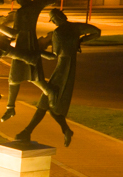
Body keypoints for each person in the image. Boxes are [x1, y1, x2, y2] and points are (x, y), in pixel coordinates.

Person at [12, 9, 101, 147]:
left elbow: (53, 55)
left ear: (57, 18)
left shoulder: (58, 33)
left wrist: (37, 52)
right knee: (49, 102)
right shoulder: (76, 27)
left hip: (61, 69)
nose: (53, 22)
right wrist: (80, 41)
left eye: (53, 20)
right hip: (70, 67)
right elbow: (97, 32)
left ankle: (29, 131)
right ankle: (61, 130)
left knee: (48, 100)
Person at [0, 0, 58, 122]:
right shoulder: (35, 6)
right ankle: (11, 108)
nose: (17, 1)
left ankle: (11, 107)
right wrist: (43, 1)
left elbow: (14, 33)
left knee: (17, 78)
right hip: (30, 43)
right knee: (23, 78)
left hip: (23, 45)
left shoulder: (22, 11)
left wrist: (1, 27)